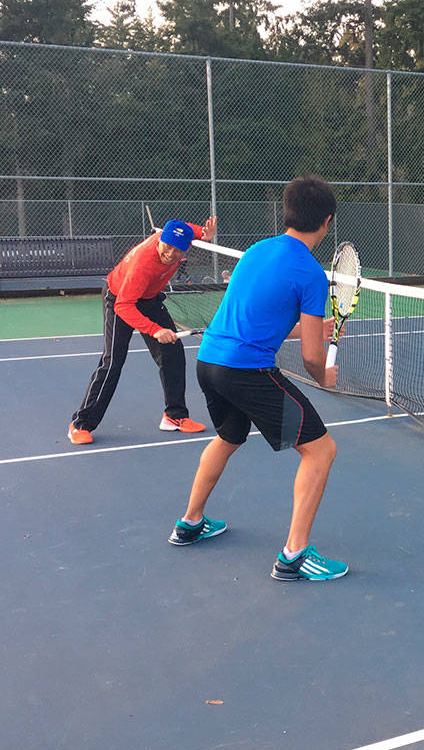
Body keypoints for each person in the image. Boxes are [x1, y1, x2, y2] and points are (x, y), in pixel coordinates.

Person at [172, 175, 348, 583]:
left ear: (286, 212)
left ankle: (190, 522)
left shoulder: (256, 250)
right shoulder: (309, 273)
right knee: (320, 451)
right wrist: (324, 376)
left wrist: (311, 330)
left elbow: (261, 320)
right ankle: (294, 556)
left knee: (229, 436)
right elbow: (310, 360)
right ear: (326, 222)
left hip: (210, 363)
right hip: (247, 373)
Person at [68, 216, 215, 445]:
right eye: (167, 246)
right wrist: (155, 330)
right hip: (119, 298)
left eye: (177, 250)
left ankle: (174, 416)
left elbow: (188, 230)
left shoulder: (178, 238)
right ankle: (80, 424)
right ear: (160, 239)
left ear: (187, 249)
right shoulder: (144, 264)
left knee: (172, 353)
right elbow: (123, 306)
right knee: (113, 361)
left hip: (149, 298)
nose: (169, 253)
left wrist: (204, 233)